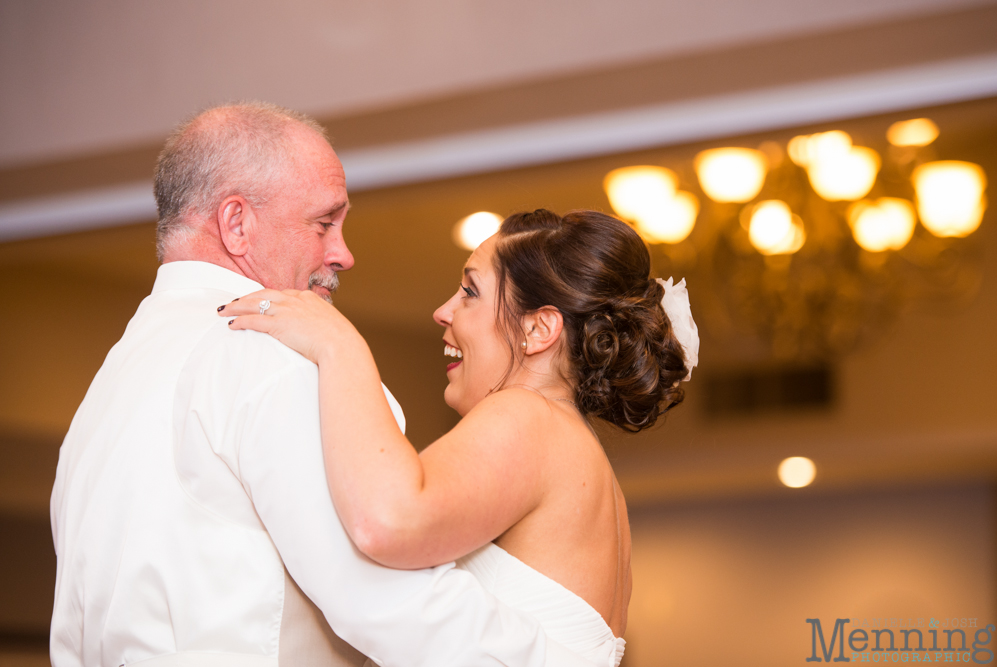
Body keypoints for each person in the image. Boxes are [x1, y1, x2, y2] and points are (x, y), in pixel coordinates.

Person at [49, 103, 599, 667]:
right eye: (323, 223)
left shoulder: (108, 390)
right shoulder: (269, 356)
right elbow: (384, 598)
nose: (344, 253)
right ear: (237, 224)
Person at [219, 208, 701, 667]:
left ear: (538, 329)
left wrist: (340, 346)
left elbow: (387, 521)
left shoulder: (529, 415)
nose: (443, 311)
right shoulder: (582, 456)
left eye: (470, 292)